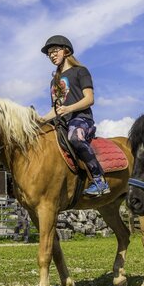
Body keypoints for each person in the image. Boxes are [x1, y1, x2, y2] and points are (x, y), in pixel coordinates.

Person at [38, 35, 109, 197]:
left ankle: (99, 180)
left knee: (75, 137)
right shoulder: (54, 81)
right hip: (61, 122)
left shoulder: (80, 71)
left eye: (55, 51)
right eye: (49, 54)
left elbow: (89, 99)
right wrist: (40, 120)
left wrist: (69, 108)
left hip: (81, 119)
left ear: (66, 51)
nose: (52, 56)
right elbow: (56, 110)